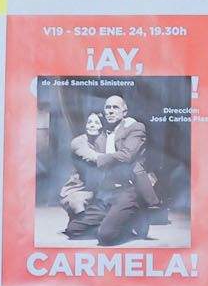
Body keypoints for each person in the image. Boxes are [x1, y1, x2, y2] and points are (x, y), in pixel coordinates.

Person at [63, 94, 157, 246]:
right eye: (108, 107)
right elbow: (85, 141)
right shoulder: (102, 132)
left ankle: (132, 216)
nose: (111, 111)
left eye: (115, 107)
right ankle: (118, 220)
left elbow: (126, 155)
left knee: (106, 237)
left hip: (127, 189)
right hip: (106, 192)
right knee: (73, 230)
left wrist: (100, 158)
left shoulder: (135, 128)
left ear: (124, 112)